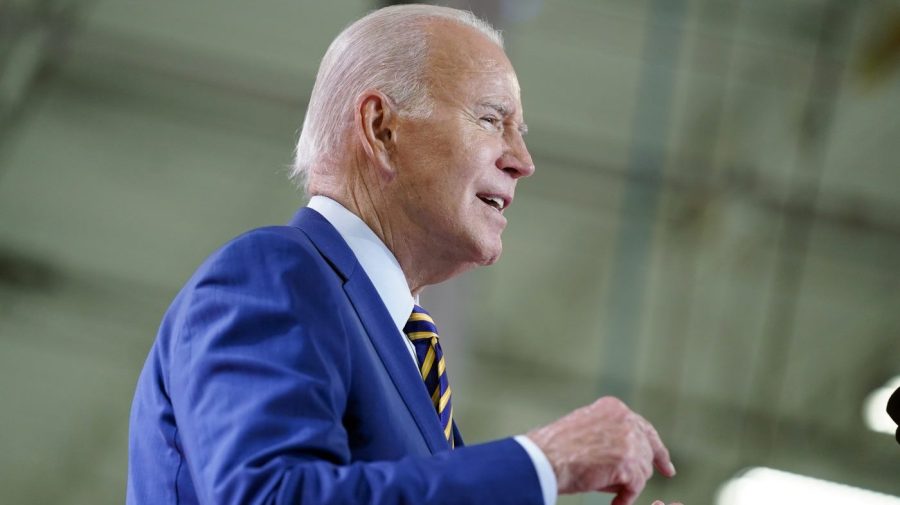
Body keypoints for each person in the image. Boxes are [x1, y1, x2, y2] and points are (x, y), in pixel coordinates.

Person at [126, 5, 682, 505]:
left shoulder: (410, 360)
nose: (523, 159)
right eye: (492, 119)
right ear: (381, 127)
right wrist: (544, 460)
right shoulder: (273, 273)